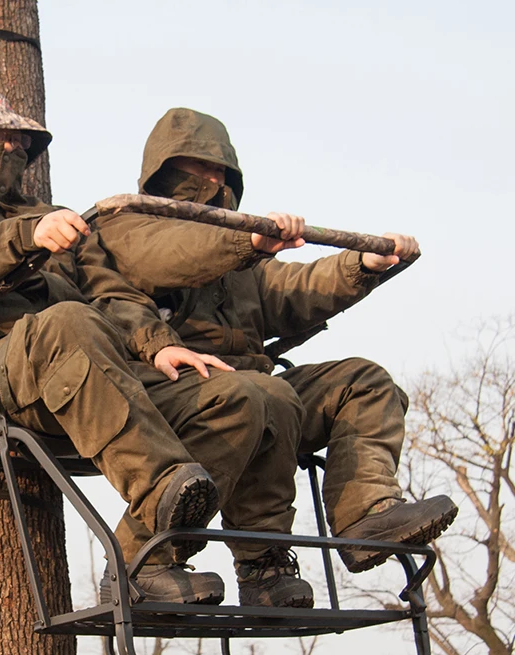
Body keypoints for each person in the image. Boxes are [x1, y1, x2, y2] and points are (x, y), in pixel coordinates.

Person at [0, 87, 258, 606]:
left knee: (234, 396)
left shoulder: (58, 217)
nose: (6, 145)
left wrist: (156, 346)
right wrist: (23, 238)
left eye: (14, 136)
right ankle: (163, 488)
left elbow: (109, 292)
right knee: (68, 320)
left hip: (90, 374)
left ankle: (142, 562)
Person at [94, 107, 457, 592]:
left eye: (222, 170)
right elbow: (169, 255)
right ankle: (147, 559)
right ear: (162, 173)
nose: (213, 178)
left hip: (254, 388)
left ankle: (365, 517)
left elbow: (294, 287)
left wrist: (362, 264)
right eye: (198, 168)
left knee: (362, 382)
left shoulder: (242, 255)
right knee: (254, 397)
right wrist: (246, 239)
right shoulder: (129, 225)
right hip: (171, 391)